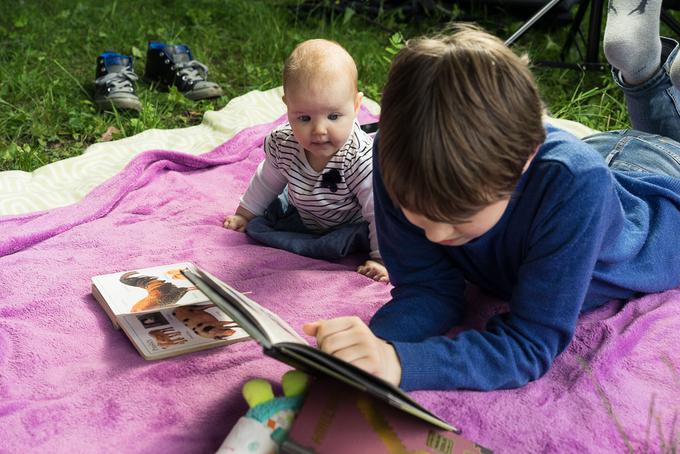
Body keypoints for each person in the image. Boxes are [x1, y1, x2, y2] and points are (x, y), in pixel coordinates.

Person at [302, 7, 680, 391]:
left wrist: (402, 363)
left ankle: (647, 75)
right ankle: (649, 75)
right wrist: (371, 351)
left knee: (666, 142)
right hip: (594, 154)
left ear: (524, 158)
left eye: (458, 215)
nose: (434, 236)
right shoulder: (392, 153)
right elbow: (427, 290)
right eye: (416, 212)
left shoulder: (575, 184)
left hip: (658, 179)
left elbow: (529, 345)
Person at [224, 39, 388, 283]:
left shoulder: (359, 158)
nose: (319, 130)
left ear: (356, 106)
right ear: (288, 107)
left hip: (352, 223)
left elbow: (377, 211)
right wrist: (245, 214)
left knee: (344, 240)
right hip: (306, 210)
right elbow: (267, 180)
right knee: (262, 222)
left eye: (333, 116)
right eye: (304, 118)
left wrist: (379, 258)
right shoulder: (285, 143)